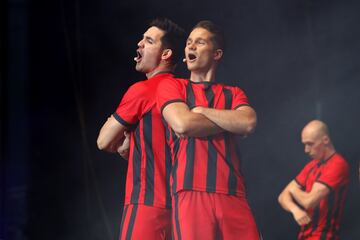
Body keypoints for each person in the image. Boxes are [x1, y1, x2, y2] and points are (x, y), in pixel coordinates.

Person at [157, 20, 260, 240]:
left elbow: (249, 122)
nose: (190, 47)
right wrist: (230, 122)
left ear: (217, 54)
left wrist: (201, 110)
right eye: (189, 42)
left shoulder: (233, 93)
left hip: (233, 192)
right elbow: (183, 124)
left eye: (200, 42)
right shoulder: (173, 86)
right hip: (190, 191)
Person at [97, 18, 185, 240]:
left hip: (147, 205)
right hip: (185, 208)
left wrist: (121, 139)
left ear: (165, 54)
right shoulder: (187, 90)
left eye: (148, 40)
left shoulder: (143, 90)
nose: (140, 43)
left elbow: (104, 141)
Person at [278, 120, 349, 240]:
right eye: (304, 144)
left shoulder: (338, 164)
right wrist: (295, 210)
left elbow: (309, 201)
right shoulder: (312, 165)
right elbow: (282, 197)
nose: (306, 150)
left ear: (325, 140)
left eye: (310, 144)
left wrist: (293, 190)